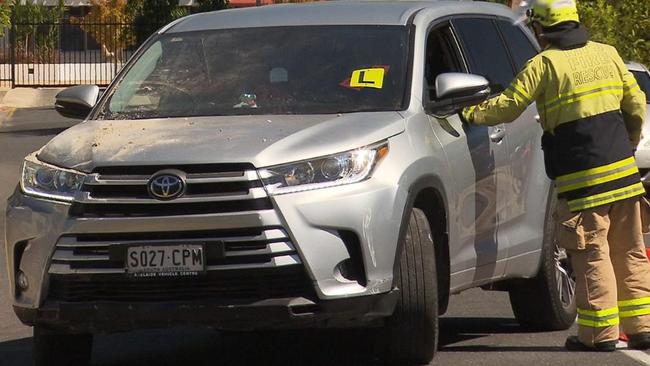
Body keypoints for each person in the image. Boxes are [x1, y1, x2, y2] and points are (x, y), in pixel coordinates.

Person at [461, 0, 650, 352]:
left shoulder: (544, 64)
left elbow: (508, 105)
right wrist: (629, 142)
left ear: (540, 28)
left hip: (583, 182)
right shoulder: (607, 54)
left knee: (593, 253)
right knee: (631, 252)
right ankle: (643, 329)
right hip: (624, 176)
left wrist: (471, 113)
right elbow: (636, 104)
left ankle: (598, 334)